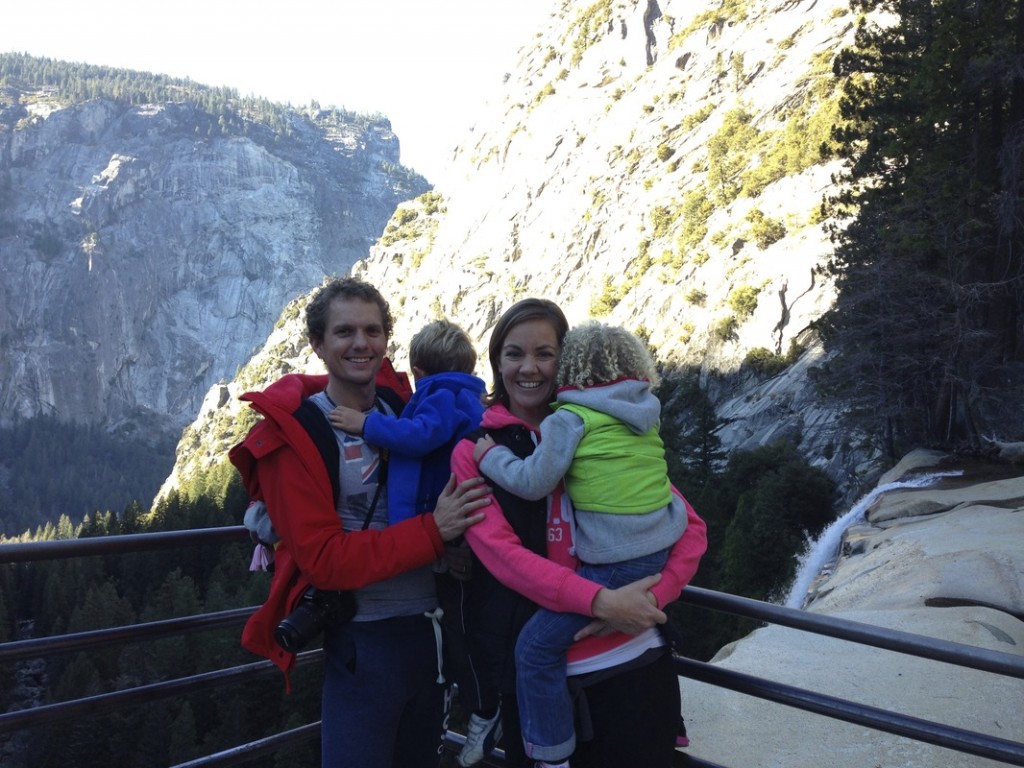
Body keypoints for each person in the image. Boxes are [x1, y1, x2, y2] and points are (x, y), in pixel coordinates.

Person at [229, 277, 491, 768]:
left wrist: (454, 547)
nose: (360, 343)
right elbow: (325, 561)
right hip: (365, 643)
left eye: (372, 331)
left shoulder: (402, 410)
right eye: (344, 331)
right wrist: (434, 532)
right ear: (318, 344)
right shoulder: (299, 435)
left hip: (431, 635)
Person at [449, 298, 708, 768]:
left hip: (636, 661)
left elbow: (689, 527)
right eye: (514, 354)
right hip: (543, 677)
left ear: (564, 361)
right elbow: (504, 557)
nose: (529, 368)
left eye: (545, 353)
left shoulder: (598, 430)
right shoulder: (475, 450)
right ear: (496, 362)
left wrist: (651, 600)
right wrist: (603, 602)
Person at [326, 319, 501, 767]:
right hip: (452, 521)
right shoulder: (468, 395)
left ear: (418, 370)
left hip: (440, 517)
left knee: (461, 628)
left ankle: (485, 705)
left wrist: (363, 424)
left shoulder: (440, 396)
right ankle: (482, 701)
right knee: (462, 626)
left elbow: (419, 435)